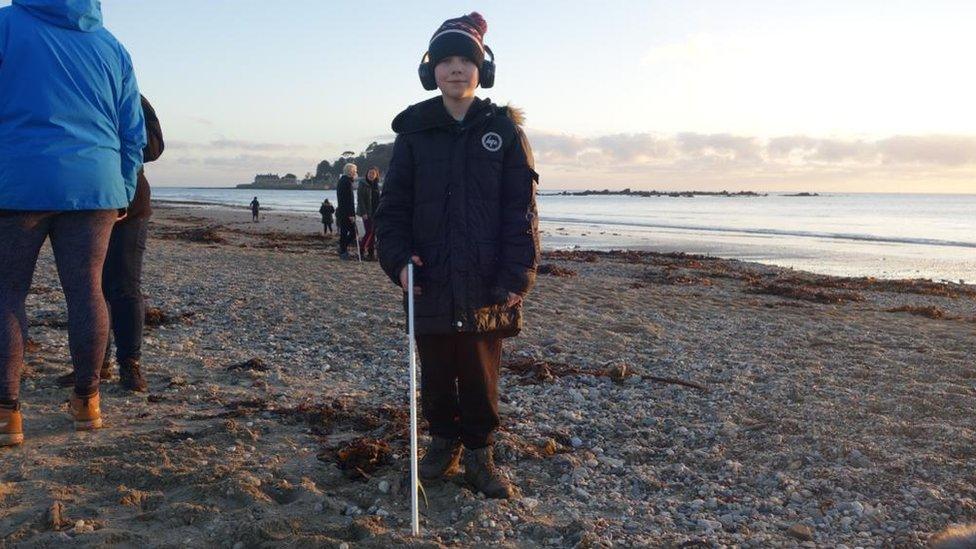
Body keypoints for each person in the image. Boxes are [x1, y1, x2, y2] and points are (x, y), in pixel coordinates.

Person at [374, 12, 539, 499]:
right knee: (438, 369)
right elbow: (393, 208)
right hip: (429, 277)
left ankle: (480, 453)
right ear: (431, 70)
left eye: (465, 60)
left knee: (481, 370)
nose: (455, 70)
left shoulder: (504, 131)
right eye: (444, 60)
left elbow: (522, 211)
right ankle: (443, 445)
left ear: (481, 69)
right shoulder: (414, 133)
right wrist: (398, 260)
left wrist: (517, 275)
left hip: (487, 278)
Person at [0, 0, 146, 446]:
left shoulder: (6, 24)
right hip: (93, 184)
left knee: (7, 291)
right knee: (86, 289)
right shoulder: (110, 45)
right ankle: (88, 403)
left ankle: (7, 414)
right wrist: (122, 189)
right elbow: (131, 131)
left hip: (17, 181)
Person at [56, 95, 163, 393]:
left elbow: (155, 146)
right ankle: (93, 365)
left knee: (125, 286)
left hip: (129, 206)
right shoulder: (76, 93)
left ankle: (130, 363)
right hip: (82, 205)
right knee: (90, 287)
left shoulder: (133, 98)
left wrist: (107, 144)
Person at [356, 167, 382, 260]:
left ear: (376, 175)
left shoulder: (376, 185)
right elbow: (360, 199)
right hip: (366, 212)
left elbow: (379, 199)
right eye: (370, 173)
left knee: (373, 232)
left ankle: (371, 254)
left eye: (373, 174)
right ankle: (361, 251)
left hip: (376, 212)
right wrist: (363, 212)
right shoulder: (363, 184)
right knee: (369, 231)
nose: (371, 175)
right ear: (367, 174)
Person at [335, 163, 357, 259]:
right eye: (355, 171)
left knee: (344, 232)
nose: (356, 173)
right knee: (352, 233)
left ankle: (342, 249)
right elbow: (349, 200)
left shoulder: (342, 181)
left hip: (342, 211)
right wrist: (351, 214)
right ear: (350, 171)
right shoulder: (347, 182)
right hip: (346, 212)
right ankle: (343, 249)